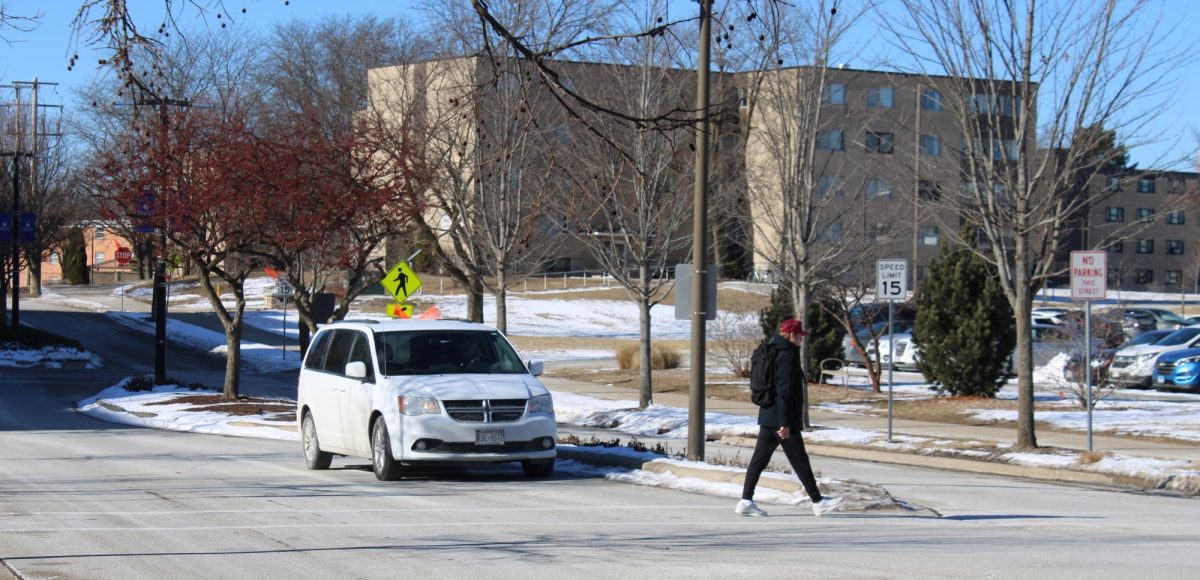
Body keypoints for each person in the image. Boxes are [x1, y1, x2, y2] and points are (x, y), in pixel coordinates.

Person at [736, 318, 844, 517]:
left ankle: (745, 500)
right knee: (800, 460)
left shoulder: (772, 349)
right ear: (792, 335)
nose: (801, 340)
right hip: (781, 419)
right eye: (800, 336)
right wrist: (785, 423)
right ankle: (818, 501)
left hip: (768, 415)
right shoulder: (786, 355)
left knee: (759, 460)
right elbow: (784, 391)